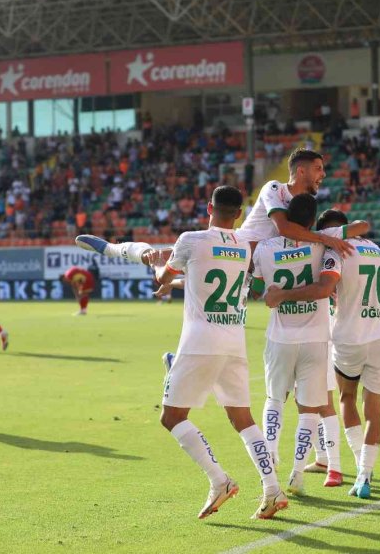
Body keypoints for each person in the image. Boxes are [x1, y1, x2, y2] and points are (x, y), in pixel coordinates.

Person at [154, 185, 288, 520]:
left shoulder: (191, 239)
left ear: (208, 207)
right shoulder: (245, 245)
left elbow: (165, 275)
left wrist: (159, 265)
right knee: (243, 419)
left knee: (172, 417)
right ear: (239, 214)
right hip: (234, 340)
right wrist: (178, 279)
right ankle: (272, 490)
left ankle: (220, 480)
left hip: (200, 342)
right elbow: (230, 282)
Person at [263, 218, 380, 500]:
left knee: (346, 399)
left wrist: (283, 295)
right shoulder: (376, 249)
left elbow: (324, 289)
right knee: (374, 410)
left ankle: (357, 466)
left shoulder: (337, 251)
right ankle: (364, 474)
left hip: (350, 337)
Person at [250, 196, 369, 494]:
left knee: (274, 399)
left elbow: (255, 289)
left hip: (279, 337)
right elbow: (361, 227)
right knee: (309, 410)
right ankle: (296, 474)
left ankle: (272, 453)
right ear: (312, 220)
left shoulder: (265, 247)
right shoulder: (323, 243)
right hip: (315, 339)